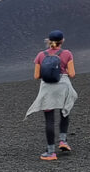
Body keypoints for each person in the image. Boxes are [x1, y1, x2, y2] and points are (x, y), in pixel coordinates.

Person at [25, 30, 78, 161]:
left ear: (48, 41)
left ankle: (50, 152)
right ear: (62, 41)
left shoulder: (40, 55)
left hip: (47, 88)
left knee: (49, 119)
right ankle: (63, 141)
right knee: (64, 113)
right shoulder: (67, 54)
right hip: (63, 86)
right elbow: (72, 74)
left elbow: (36, 76)